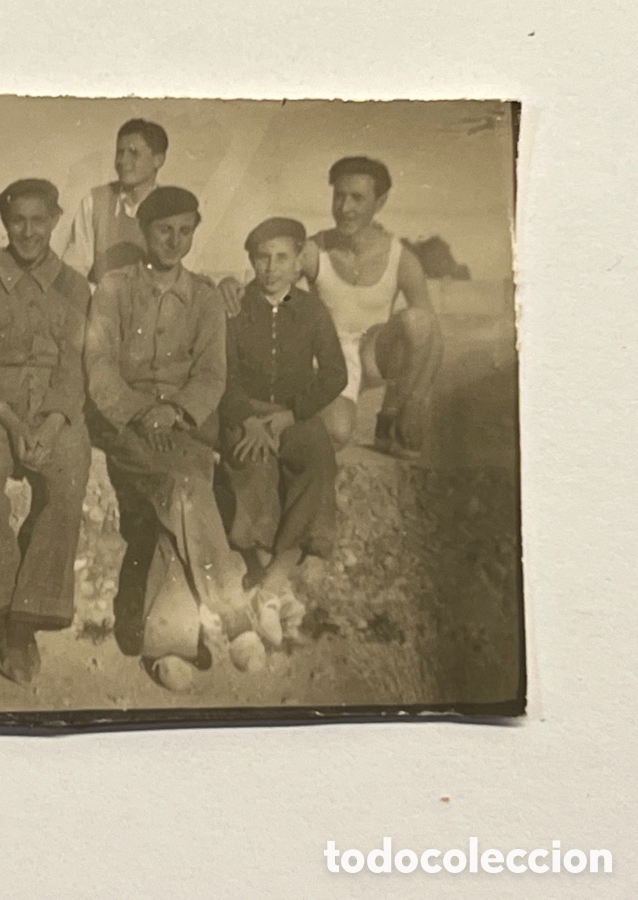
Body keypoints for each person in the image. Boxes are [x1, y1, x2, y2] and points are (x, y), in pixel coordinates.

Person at [86, 186, 267, 691]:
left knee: (180, 496)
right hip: (127, 426)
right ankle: (234, 617)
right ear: (144, 232)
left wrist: (176, 412)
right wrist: (144, 412)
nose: (174, 240)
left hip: (185, 427)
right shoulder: (114, 290)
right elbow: (99, 370)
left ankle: (168, 642)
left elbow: (212, 374)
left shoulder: (205, 298)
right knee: (186, 490)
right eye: (164, 229)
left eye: (185, 230)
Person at [0, 178, 92, 684]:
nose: (28, 232)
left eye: (38, 220)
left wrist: (52, 425)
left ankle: (24, 619)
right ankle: (6, 616)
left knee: (70, 473)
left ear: (56, 220)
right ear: (4, 225)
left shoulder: (75, 286)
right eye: (17, 221)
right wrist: (11, 423)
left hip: (55, 408)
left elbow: (76, 367)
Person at [220, 156, 442, 457]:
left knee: (419, 323)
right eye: (339, 196)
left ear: (381, 201)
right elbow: (270, 284)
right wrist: (229, 286)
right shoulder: (314, 250)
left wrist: (414, 400)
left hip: (374, 354)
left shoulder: (401, 258)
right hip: (331, 358)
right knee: (336, 431)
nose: (345, 208)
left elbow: (431, 336)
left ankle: (390, 418)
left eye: (357, 198)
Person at [218, 218, 347, 645]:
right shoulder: (236, 307)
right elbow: (224, 374)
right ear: (251, 261)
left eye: (281, 258)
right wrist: (249, 420)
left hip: (293, 414)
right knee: (252, 466)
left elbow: (334, 374)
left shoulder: (312, 311)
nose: (271, 268)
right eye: (261, 257)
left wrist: (291, 415)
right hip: (248, 414)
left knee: (317, 458)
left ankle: (272, 581)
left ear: (298, 262)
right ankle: (269, 576)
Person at [63, 118, 168, 285]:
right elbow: (75, 272)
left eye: (134, 153)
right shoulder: (95, 202)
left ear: (158, 160)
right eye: (120, 153)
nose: (122, 161)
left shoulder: (172, 209)